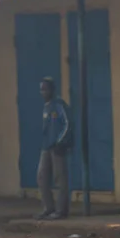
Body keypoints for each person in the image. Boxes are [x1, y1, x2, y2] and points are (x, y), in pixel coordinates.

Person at [36, 77, 72, 220]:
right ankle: (48, 208)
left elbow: (68, 124)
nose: (43, 92)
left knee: (60, 179)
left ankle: (61, 210)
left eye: (45, 89)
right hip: (46, 147)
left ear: (52, 90)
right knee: (42, 177)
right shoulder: (46, 107)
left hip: (58, 147)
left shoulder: (59, 105)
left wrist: (60, 142)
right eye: (41, 89)